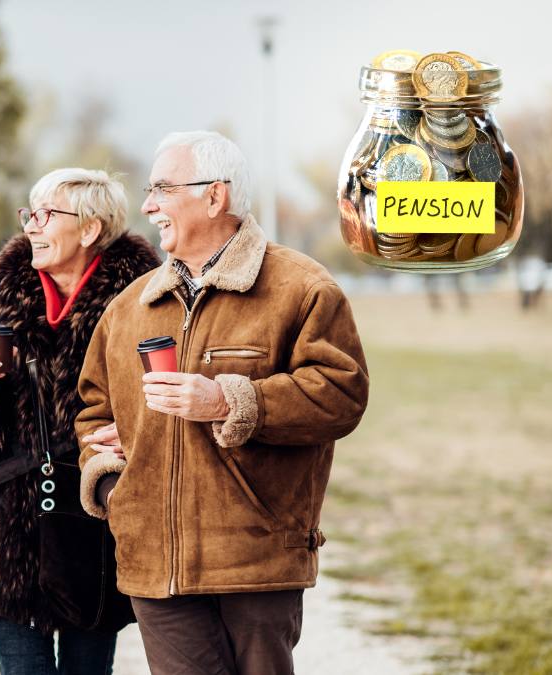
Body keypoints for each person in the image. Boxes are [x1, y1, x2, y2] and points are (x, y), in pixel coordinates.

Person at [75, 131, 369, 675]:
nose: (148, 206)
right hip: (153, 562)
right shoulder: (127, 310)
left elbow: (341, 394)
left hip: (256, 557)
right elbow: (94, 411)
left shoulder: (302, 288)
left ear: (216, 196)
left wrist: (230, 400)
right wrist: (117, 484)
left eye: (162, 188)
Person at [0, 168, 159, 674]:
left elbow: (157, 395)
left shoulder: (140, 300)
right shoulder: (9, 292)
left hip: (95, 514)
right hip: (14, 521)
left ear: (88, 229)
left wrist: (128, 434)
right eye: (29, 214)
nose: (32, 226)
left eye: (46, 215)